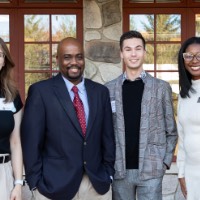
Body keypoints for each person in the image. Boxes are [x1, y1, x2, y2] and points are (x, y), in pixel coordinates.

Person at [21, 37, 115, 200]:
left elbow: (107, 137)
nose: (74, 62)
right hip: (53, 187)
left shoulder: (100, 92)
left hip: (96, 186)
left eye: (79, 56)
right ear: (57, 59)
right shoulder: (41, 92)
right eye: (67, 57)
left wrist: (109, 173)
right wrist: (35, 183)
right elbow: (31, 142)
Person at [105, 30, 178, 200]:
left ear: (145, 52)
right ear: (121, 53)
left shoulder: (161, 88)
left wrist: (164, 161)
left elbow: (171, 130)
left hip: (152, 169)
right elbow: (105, 130)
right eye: (128, 49)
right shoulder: (108, 89)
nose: (133, 54)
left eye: (138, 48)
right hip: (120, 169)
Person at [177, 36, 200, 200]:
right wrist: (181, 172)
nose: (194, 60)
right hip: (192, 173)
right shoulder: (183, 95)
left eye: (199, 55)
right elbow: (182, 137)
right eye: (189, 56)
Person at [0, 37, 23, 200]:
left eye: (0, 54)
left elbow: (15, 142)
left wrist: (18, 183)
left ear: (4, 62)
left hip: (4, 172)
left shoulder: (12, 95)